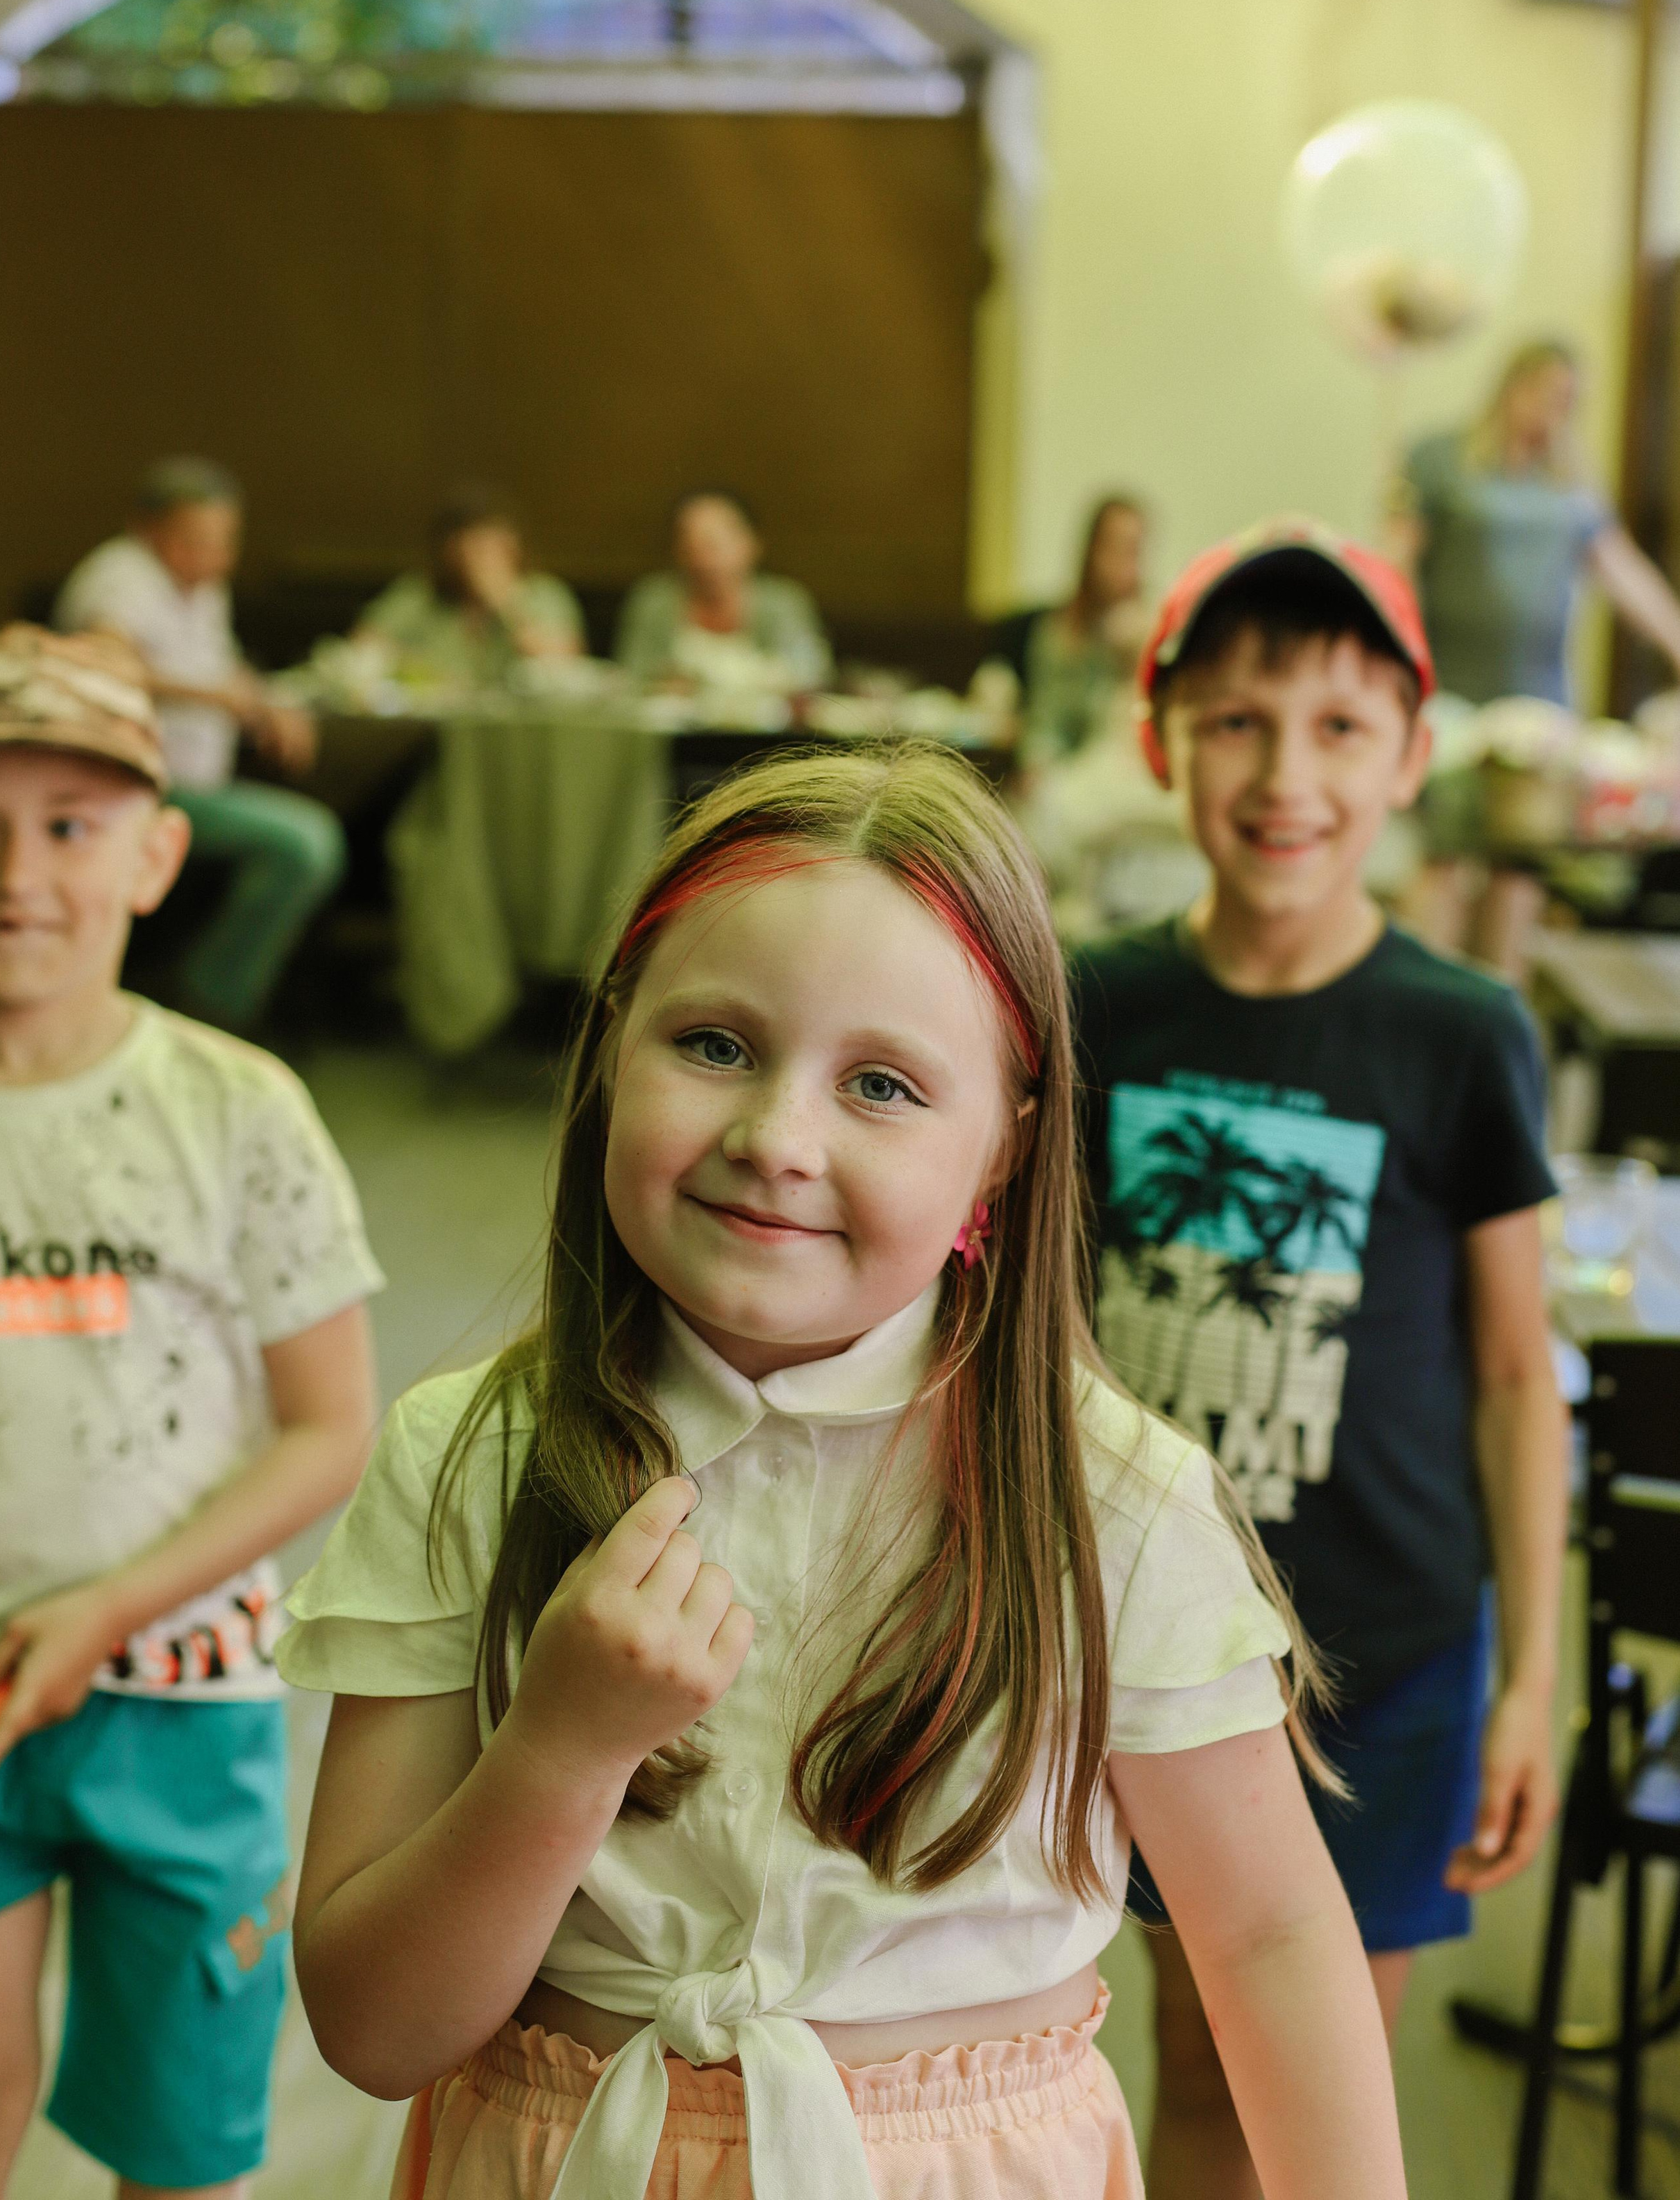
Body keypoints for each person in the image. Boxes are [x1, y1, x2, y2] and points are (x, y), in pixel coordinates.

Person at [277, 740, 1409, 2200]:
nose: (776, 1139)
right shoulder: (464, 1459)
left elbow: (1264, 1935)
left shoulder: (1109, 1498)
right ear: (611, 1041)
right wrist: (560, 1750)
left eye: (879, 1084)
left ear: (1001, 1143)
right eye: (713, 1046)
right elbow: (371, 2028)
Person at [1070, 523, 1568, 2200]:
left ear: (1410, 758)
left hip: (1380, 1662)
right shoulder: (1091, 1008)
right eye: (1235, 720)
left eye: (1339, 727)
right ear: (1160, 740)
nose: (1284, 771)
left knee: (1320, 2102)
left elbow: (1512, 1374)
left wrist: (1526, 1679)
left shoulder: (1459, 1030)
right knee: (1192, 2070)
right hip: (1133, 1645)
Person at [0, 623, 382, 2200]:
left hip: (186, 1705)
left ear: (160, 851)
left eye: (70, 822)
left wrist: (107, 1603)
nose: (16, 870)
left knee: (182, 2149)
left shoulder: (238, 1111)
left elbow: (330, 1425)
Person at [1389, 341, 1680, 972]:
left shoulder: (1571, 486)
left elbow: (1621, 570)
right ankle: (1419, 999)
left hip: (1537, 704)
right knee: (1445, 854)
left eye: (1568, 403)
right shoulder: (1443, 461)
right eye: (1546, 394)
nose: (1553, 412)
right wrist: (1395, 656)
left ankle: (1497, 1010)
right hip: (1454, 697)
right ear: (1511, 386)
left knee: (1516, 867)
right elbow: (1399, 562)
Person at [56, 457, 346, 1034]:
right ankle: (209, 1008)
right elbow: (106, 662)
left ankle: (204, 996)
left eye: (223, 542)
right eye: (194, 541)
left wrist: (265, 703)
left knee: (316, 827)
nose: (213, 558)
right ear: (146, 530)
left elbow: (223, 665)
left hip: (202, 782)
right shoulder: (122, 576)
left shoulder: (201, 587)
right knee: (305, 844)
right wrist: (219, 699)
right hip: (142, 787)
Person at [354, 490, 585, 694]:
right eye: (473, 544)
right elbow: (361, 656)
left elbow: (562, 667)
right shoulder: (418, 595)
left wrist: (505, 601)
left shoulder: (544, 594)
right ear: (448, 550)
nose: (482, 556)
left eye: (493, 543)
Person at [616, 489, 831, 695]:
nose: (701, 558)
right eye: (690, 546)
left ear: (751, 544)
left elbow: (812, 675)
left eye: (713, 544)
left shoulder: (783, 602)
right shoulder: (654, 601)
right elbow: (633, 676)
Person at [1020, 494, 1150, 768]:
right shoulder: (1053, 630)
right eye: (1116, 549)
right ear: (1091, 550)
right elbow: (1044, 726)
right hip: (1056, 778)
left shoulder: (1145, 634)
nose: (1126, 566)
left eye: (1134, 551)